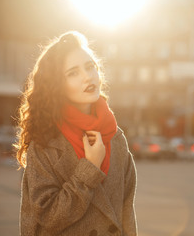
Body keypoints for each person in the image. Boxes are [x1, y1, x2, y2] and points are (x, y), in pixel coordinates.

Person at [15, 31, 138, 236]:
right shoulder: (45, 144)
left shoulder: (116, 138)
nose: (87, 76)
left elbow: (127, 213)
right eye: (73, 73)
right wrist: (88, 169)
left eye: (90, 67)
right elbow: (47, 218)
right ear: (57, 86)